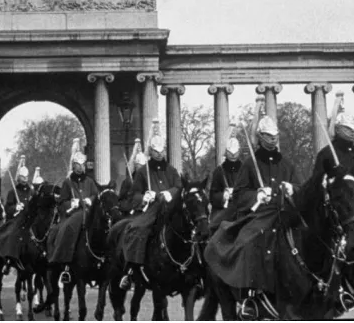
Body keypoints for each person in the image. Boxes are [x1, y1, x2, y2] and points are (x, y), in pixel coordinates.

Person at [204, 115, 304, 318]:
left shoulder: (287, 164)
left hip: (284, 213)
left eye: (274, 136)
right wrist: (257, 195)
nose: (272, 139)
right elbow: (240, 196)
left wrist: (291, 188)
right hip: (258, 216)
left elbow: (300, 187)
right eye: (268, 136)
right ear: (260, 137)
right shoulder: (250, 164)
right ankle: (250, 295)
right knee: (248, 240)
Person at [118, 125, 182, 290]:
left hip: (170, 208)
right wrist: (144, 198)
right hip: (151, 210)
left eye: (162, 151)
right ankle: (132, 270)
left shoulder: (172, 170)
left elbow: (179, 186)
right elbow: (133, 195)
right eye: (156, 151)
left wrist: (170, 193)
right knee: (136, 229)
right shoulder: (142, 172)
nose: (159, 154)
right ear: (151, 152)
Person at [299, 93, 354, 212]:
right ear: (337, 129)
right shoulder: (326, 154)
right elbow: (316, 182)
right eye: (347, 128)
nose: (352, 131)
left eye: (353, 128)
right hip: (341, 210)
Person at [47, 139, 99, 278]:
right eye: (77, 165)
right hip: (72, 215)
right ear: (73, 166)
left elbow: (96, 195)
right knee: (69, 227)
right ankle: (66, 264)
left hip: (88, 212)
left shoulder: (90, 181)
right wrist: (71, 204)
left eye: (82, 165)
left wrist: (90, 200)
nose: (80, 168)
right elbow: (61, 202)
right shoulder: (67, 182)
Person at [208, 136, 244, 228]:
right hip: (223, 210)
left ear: (239, 152)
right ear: (226, 153)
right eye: (230, 153)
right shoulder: (219, 171)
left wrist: (238, 193)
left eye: (235, 153)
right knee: (214, 227)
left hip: (241, 209)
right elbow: (212, 195)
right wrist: (223, 196)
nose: (233, 155)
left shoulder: (245, 169)